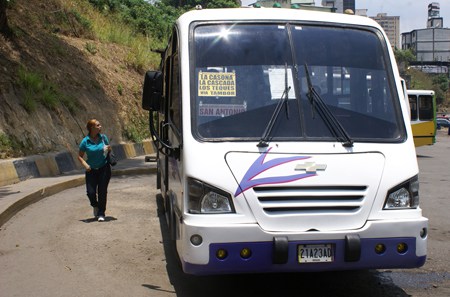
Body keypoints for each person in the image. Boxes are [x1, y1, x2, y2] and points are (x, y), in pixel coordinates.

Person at [77, 119, 112, 222]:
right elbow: (80, 156)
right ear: (92, 128)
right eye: (98, 125)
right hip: (91, 170)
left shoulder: (103, 138)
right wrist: (85, 165)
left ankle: (101, 213)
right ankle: (95, 205)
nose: (100, 126)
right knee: (90, 192)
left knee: (102, 192)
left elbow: (108, 150)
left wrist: (109, 149)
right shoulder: (85, 141)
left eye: (100, 125)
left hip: (104, 168)